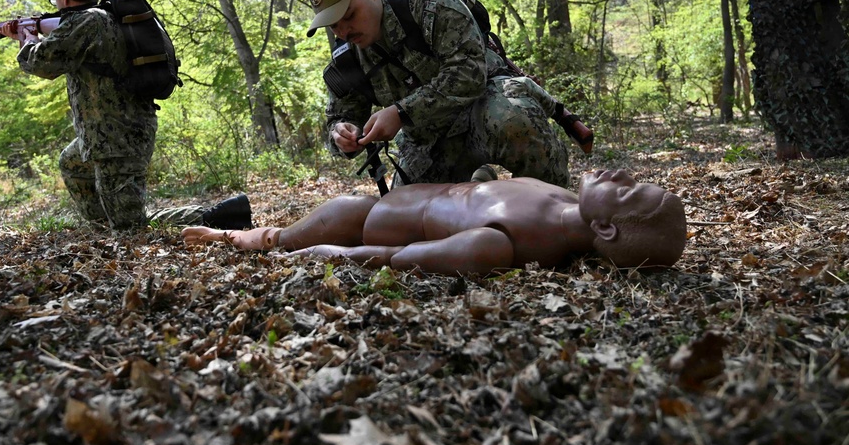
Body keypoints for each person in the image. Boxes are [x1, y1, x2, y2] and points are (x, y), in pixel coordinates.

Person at [4, 0, 252, 231]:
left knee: (131, 228)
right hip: (104, 136)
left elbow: (41, 63)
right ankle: (103, 225)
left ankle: (221, 215)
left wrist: (27, 39)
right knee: (72, 163)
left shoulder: (87, 21)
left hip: (118, 139)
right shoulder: (101, 19)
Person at [307, 0, 576, 187]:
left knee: (513, 120)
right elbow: (339, 116)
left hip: (483, 107)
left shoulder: (429, 4)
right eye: (333, 25)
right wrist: (342, 134)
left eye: (350, 15)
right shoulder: (348, 59)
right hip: (427, 141)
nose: (344, 31)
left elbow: (469, 73)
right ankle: (479, 184)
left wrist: (401, 112)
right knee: (405, 219)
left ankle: (558, 208)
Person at [181, 169, 687, 276]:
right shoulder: (561, 197)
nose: (621, 175)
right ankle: (242, 234)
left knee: (287, 238)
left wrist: (329, 254)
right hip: (400, 195)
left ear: (606, 230)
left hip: (372, 220)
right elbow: (489, 190)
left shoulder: (503, 246)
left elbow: (394, 256)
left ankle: (233, 235)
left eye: (627, 190)